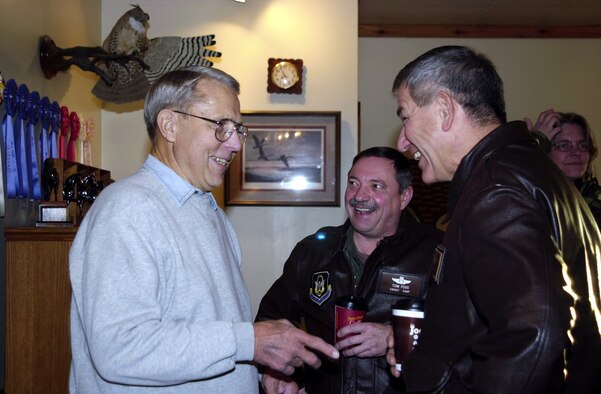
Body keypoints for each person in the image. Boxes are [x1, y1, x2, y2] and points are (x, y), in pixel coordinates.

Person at [69, 66, 339, 393]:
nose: (237, 143)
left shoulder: (212, 214)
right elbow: (120, 348)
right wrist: (250, 342)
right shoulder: (126, 210)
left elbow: (215, 336)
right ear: (169, 124)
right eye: (221, 125)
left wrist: (257, 373)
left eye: (239, 128)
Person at [387, 45, 601, 393]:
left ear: (444, 109)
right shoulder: (534, 172)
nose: (402, 142)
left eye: (405, 116)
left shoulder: (495, 191)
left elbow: (536, 333)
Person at [256, 147, 443, 393]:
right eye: (353, 183)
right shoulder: (313, 252)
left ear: (405, 197)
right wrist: (278, 372)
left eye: (376, 186)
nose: (359, 196)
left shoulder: (435, 251)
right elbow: (271, 321)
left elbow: (466, 332)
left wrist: (393, 336)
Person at [524, 109, 601, 226]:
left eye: (582, 145)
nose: (576, 152)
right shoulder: (533, 201)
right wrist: (531, 151)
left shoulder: (594, 207)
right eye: (564, 145)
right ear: (545, 153)